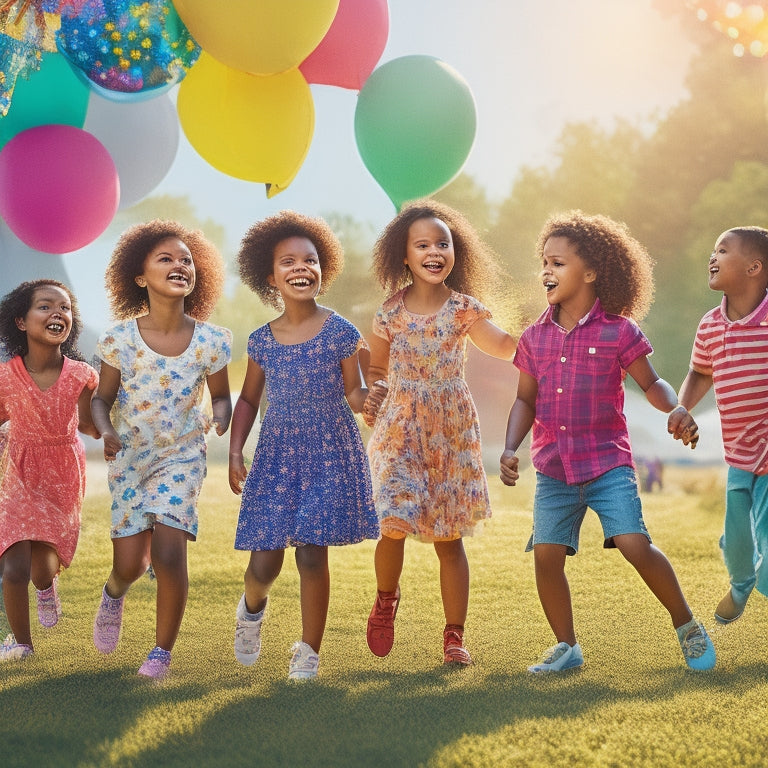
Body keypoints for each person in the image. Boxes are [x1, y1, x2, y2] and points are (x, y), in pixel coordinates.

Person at [499, 210, 715, 674]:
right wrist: (510, 447)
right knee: (546, 554)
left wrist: (676, 408)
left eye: (557, 263)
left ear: (592, 272)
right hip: (554, 467)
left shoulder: (619, 330)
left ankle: (687, 625)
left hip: (606, 464)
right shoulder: (534, 337)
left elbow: (652, 384)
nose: (546, 271)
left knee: (634, 543)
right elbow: (524, 400)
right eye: (544, 262)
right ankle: (566, 647)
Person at [362, 200, 516, 666]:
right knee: (392, 518)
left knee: (450, 540)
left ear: (455, 252)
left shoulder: (464, 309)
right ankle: (386, 599)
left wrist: (548, 330)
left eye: (442, 243)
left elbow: (505, 347)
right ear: (403, 256)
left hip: (450, 431)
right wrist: (377, 391)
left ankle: (454, 636)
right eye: (422, 244)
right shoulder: (389, 313)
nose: (434, 251)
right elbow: (377, 367)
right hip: (401, 425)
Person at [229, 211, 378, 681]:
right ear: (270, 276)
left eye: (310, 260)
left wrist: (370, 397)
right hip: (277, 458)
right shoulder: (262, 342)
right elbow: (249, 399)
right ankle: (251, 610)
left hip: (330, 453)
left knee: (313, 553)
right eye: (288, 261)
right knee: (264, 563)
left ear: (323, 269)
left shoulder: (340, 332)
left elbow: (354, 394)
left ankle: (308, 652)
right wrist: (235, 452)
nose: (301, 268)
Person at [91, 220, 232, 680]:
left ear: (197, 274)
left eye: (186, 259)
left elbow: (222, 396)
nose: (179, 265)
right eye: (166, 258)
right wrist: (105, 429)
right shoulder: (119, 339)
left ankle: (160, 653)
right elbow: (100, 399)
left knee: (170, 552)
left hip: (182, 458)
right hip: (130, 461)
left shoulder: (212, 341)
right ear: (140, 276)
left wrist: (223, 414)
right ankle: (114, 592)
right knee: (129, 565)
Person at [672, 226, 768, 626]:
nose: (712, 257)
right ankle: (741, 581)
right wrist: (681, 408)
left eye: (723, 251)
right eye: (712, 250)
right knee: (740, 546)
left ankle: (752, 581)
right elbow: (699, 374)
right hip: (738, 457)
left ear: (753, 267)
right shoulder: (710, 325)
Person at [0, 279, 99, 661]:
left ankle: (46, 587)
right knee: (13, 562)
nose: (58, 313)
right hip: (18, 473)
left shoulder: (81, 375)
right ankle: (22, 644)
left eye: (65, 308)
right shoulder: (6, 377)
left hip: (61, 473)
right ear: (21, 322)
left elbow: (90, 425)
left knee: (43, 567)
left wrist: (111, 435)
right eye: (45, 306)